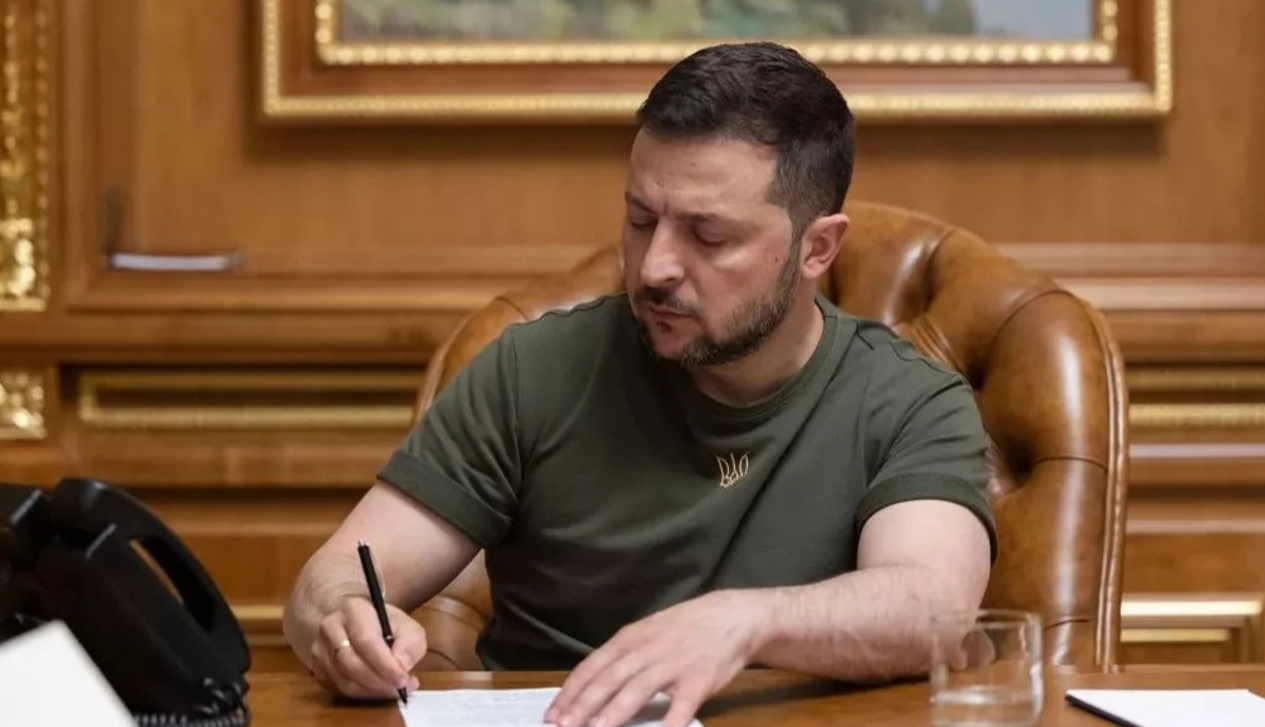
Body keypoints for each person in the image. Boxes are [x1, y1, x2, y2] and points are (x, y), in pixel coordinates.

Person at [282, 41, 996, 727]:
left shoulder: (908, 400)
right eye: (640, 219)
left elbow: (933, 606)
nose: (654, 267)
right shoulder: (534, 369)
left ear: (817, 247)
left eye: (708, 236)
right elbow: (337, 574)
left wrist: (743, 623)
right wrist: (344, 622)